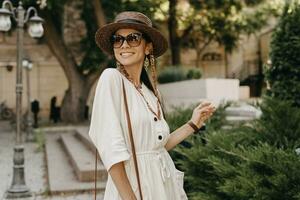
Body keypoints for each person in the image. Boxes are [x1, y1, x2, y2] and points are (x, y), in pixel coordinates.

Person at [88, 11, 215, 200]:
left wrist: (193, 124)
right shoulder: (111, 79)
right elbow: (110, 150)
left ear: (148, 47)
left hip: (162, 184)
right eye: (118, 39)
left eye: (133, 38)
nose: (124, 45)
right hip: (132, 188)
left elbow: (157, 147)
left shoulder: (150, 93)